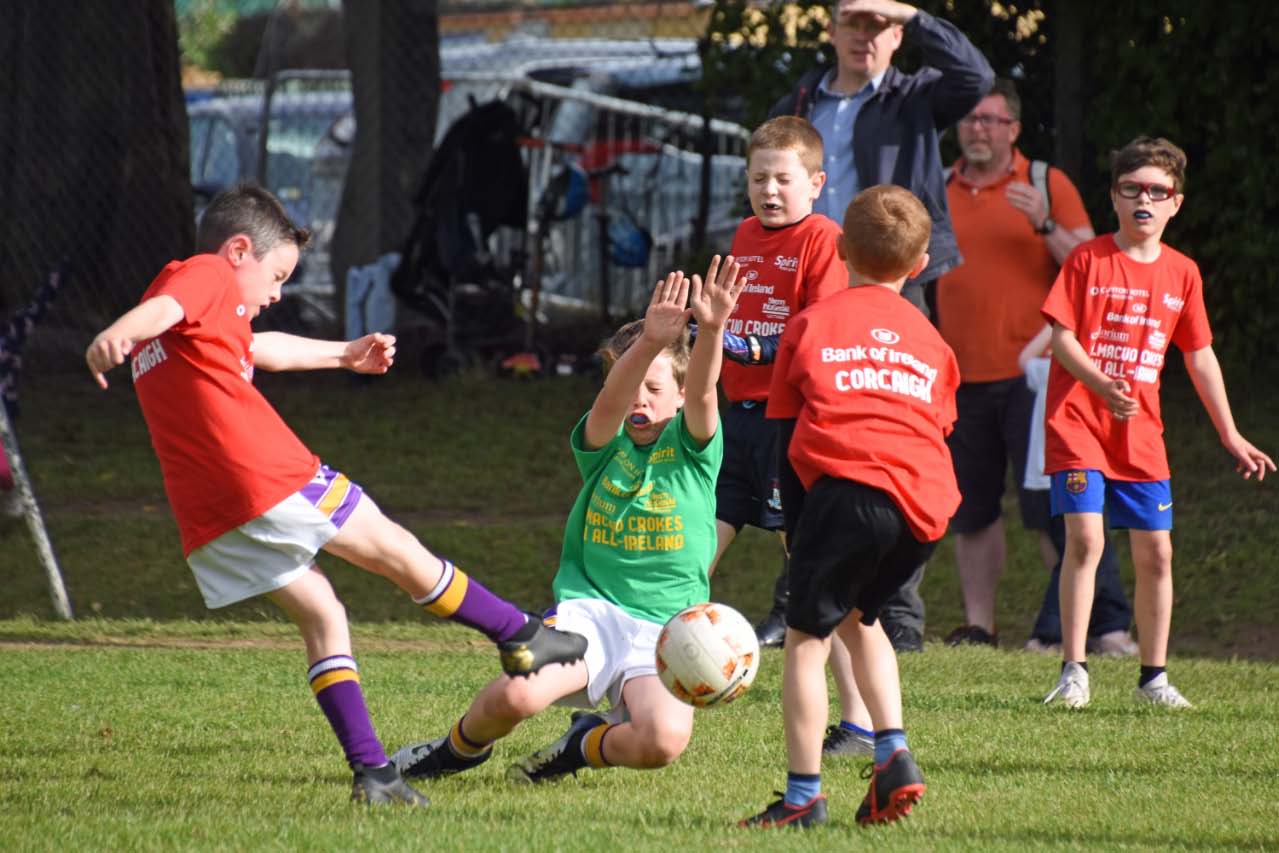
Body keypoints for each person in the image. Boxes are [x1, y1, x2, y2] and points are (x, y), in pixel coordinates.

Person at [84, 184, 588, 806]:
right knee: (398, 551)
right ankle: (521, 633)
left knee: (324, 615)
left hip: (210, 514)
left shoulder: (198, 313)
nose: (276, 294)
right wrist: (118, 333)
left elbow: (253, 350)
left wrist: (343, 355)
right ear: (239, 251)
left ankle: (374, 775)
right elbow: (163, 308)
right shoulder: (206, 273)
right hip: (266, 474)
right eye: (276, 275)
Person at [389, 258, 744, 786]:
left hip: (667, 628)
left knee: (662, 741)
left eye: (655, 387)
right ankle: (455, 751)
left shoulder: (694, 450)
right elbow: (609, 403)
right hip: (590, 612)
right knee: (518, 694)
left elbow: (704, 393)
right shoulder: (604, 444)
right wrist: (647, 341)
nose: (640, 399)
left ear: (678, 391)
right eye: (633, 387)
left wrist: (711, 330)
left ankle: (582, 745)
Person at [767, 0, 993, 654]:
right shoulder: (800, 99)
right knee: (811, 431)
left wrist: (912, 12)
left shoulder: (914, 97)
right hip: (814, 282)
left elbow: (974, 77)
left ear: (895, 35)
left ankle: (895, 611)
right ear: (831, 30)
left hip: (894, 281)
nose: (863, 35)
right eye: (852, 21)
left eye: (877, 24)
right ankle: (801, 598)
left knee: (902, 429)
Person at [741, 185, 961, 829]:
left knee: (807, 639)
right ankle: (893, 753)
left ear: (839, 250)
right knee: (861, 618)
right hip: (924, 505)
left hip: (846, 489)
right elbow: (939, 427)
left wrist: (796, 525)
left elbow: (787, 434)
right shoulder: (931, 340)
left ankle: (803, 796)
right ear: (919, 264)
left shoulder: (810, 325)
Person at [1040, 137, 1274, 709]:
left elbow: (1199, 356)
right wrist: (1099, 384)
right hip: (1078, 423)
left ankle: (1154, 679)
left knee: (1158, 554)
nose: (1144, 199)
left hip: (1140, 434)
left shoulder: (1183, 273)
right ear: (1114, 197)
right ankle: (1074, 672)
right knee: (1087, 539)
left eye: (1157, 191)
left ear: (1176, 203)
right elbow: (1061, 339)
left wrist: (1230, 433)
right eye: (1132, 188)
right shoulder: (1086, 259)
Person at [936, 78, 1136, 655]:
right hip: (958, 375)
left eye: (991, 121)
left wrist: (1046, 223)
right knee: (970, 510)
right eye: (970, 120)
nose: (978, 130)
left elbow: (1097, 269)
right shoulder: (938, 187)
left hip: (1041, 374)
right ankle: (981, 627)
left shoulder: (1045, 182)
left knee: (1054, 507)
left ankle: (1094, 625)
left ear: (1014, 130)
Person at [700, 115, 877, 757]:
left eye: (783, 179)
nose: (769, 191)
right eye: (757, 178)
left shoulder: (824, 240)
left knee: (814, 574)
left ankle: (859, 722)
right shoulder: (744, 235)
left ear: (817, 182)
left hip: (791, 424)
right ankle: (647, 689)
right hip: (732, 426)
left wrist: (747, 343)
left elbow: (819, 331)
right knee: (690, 554)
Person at [1019, 325, 1136, 655]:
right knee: (1084, 552)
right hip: (1062, 472)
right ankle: (1049, 635)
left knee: (1088, 552)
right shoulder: (1055, 370)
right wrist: (1061, 326)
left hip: (1064, 473)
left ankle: (1106, 629)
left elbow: (1025, 358)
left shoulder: (1051, 368)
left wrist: (1055, 328)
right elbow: (1026, 359)